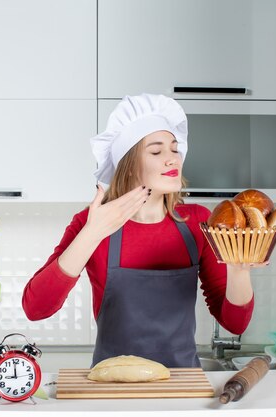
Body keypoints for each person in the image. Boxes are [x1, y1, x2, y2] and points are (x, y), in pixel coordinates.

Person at [22, 93, 257, 368]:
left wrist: (240, 269)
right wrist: (92, 233)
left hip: (180, 386)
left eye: (174, 148)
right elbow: (36, 308)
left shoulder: (198, 222)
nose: (172, 159)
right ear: (129, 165)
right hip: (113, 387)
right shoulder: (92, 221)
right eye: (156, 151)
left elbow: (234, 322)